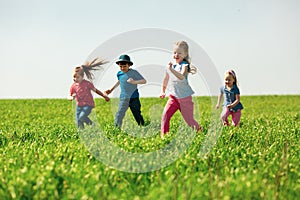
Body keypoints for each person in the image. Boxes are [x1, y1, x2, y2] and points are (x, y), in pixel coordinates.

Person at [160, 41, 202, 138]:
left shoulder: (184, 65)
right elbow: (166, 79)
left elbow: (182, 77)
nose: (176, 55)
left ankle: (200, 131)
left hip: (185, 99)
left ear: (185, 54)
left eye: (179, 53)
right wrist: (163, 91)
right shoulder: (171, 66)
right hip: (173, 97)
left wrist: (171, 69)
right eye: (174, 52)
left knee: (189, 121)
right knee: (165, 116)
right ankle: (164, 137)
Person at [105, 54, 146, 128]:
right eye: (121, 66)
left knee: (137, 114)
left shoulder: (134, 72)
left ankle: (142, 126)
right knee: (119, 114)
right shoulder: (119, 74)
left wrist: (134, 82)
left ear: (129, 65)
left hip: (134, 98)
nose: (123, 68)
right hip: (124, 98)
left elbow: (144, 81)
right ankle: (116, 129)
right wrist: (111, 89)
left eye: (125, 66)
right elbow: (119, 81)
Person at [68, 58, 110, 128]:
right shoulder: (73, 86)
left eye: (77, 77)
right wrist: (71, 97)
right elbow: (69, 96)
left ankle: (92, 124)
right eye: (74, 77)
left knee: (82, 117)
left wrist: (104, 96)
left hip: (88, 104)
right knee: (78, 120)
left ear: (82, 77)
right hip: (79, 105)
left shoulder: (87, 84)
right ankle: (81, 131)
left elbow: (96, 90)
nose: (75, 79)